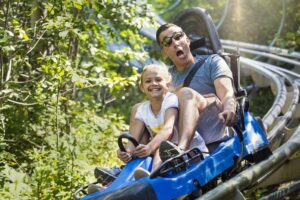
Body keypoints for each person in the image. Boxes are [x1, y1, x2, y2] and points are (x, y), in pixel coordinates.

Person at [155, 23, 236, 155]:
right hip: (177, 130)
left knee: (185, 94)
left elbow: (226, 92)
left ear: (187, 40)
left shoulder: (212, 62)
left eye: (178, 37)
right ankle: (133, 159)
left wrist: (229, 107)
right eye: (167, 42)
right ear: (164, 52)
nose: (175, 43)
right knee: (139, 108)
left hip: (215, 125)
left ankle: (181, 150)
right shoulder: (164, 79)